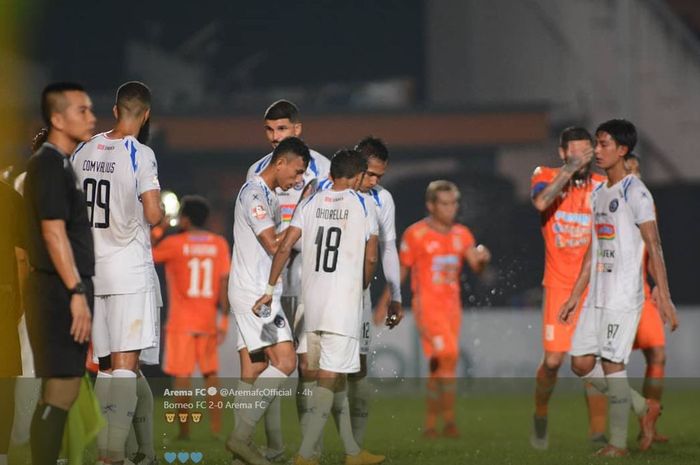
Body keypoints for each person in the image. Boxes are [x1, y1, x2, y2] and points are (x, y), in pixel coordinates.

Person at [253, 148, 384, 465]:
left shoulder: (311, 202)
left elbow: (285, 245)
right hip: (342, 305)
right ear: (356, 177)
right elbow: (370, 256)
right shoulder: (363, 203)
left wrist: (271, 288)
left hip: (310, 305)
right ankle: (306, 453)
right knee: (330, 374)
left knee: (321, 373)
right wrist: (363, 286)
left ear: (331, 174)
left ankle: (352, 450)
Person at [559, 119, 679, 457]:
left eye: (603, 144)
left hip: (623, 295)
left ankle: (616, 444)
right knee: (580, 364)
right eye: (596, 144)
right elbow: (593, 250)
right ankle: (644, 407)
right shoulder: (599, 193)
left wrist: (664, 297)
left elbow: (653, 246)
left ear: (623, 150)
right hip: (596, 295)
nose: (596, 150)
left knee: (613, 365)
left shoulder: (636, 192)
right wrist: (574, 294)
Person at [71, 81, 163, 465]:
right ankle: (111, 456)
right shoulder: (140, 153)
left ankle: (114, 453)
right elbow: (154, 215)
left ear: (114, 110)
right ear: (145, 115)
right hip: (128, 271)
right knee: (126, 369)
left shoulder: (83, 149)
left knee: (106, 369)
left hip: (92, 273)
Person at [246, 100, 330, 459]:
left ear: (297, 129)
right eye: (269, 130)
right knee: (272, 365)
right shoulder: (257, 171)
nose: (274, 137)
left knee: (309, 367)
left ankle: (311, 446)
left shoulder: (323, 169)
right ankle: (276, 447)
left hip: (311, 284)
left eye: (281, 129)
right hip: (274, 285)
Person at [22, 82, 95, 465]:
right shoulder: (48, 164)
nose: (91, 117)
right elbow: (53, 234)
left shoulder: (60, 163)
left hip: (59, 288)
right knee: (61, 390)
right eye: (82, 110)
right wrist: (77, 292)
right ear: (56, 118)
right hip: (57, 291)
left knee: (61, 391)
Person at [226, 136, 309, 465]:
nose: (299, 178)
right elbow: (275, 245)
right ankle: (241, 439)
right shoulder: (255, 194)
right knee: (286, 362)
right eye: (297, 171)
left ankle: (239, 454)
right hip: (255, 292)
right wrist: (301, 220)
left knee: (257, 367)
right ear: (281, 163)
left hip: (252, 287)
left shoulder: (268, 195)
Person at [528, 127, 608, 449]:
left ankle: (598, 433)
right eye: (575, 153)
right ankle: (540, 413)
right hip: (559, 284)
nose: (582, 159)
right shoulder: (545, 174)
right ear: (563, 153)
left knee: (592, 362)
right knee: (552, 362)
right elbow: (540, 202)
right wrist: (570, 168)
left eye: (587, 153)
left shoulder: (602, 187)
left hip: (593, 284)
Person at [393, 180, 491, 438]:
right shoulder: (416, 234)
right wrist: (388, 302)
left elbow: (477, 267)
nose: (451, 209)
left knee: (443, 366)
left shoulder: (462, 234)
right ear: (431, 206)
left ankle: (436, 423)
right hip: (426, 305)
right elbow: (402, 269)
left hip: (451, 308)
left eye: (454, 203)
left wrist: (483, 259)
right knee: (448, 353)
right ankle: (445, 422)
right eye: (445, 204)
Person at [336, 136, 403, 446]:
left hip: (359, 298)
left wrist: (395, 295)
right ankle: (308, 446)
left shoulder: (381, 199)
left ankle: (355, 447)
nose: (375, 181)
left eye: (380, 176)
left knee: (358, 370)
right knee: (315, 371)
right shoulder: (328, 194)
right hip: (324, 294)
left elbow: (388, 249)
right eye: (371, 174)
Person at [152, 195, 231, 440]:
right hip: (208, 319)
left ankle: (184, 431)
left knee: (182, 377)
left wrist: (161, 227)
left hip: (181, 322)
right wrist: (224, 318)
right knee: (210, 376)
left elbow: (147, 253)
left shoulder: (175, 244)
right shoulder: (218, 244)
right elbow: (223, 283)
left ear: (184, 219)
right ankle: (217, 429)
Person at [625, 153, 668, 443]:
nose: (634, 174)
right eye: (628, 169)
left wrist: (660, 288)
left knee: (658, 354)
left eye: (637, 169)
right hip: (609, 296)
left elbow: (651, 250)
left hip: (639, 293)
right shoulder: (602, 200)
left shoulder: (643, 203)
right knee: (592, 366)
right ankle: (609, 429)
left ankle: (646, 423)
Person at [0, 169, 26, 465]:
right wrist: (19, 301)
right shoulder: (9, 197)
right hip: (3, 294)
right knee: (4, 379)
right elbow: (21, 255)